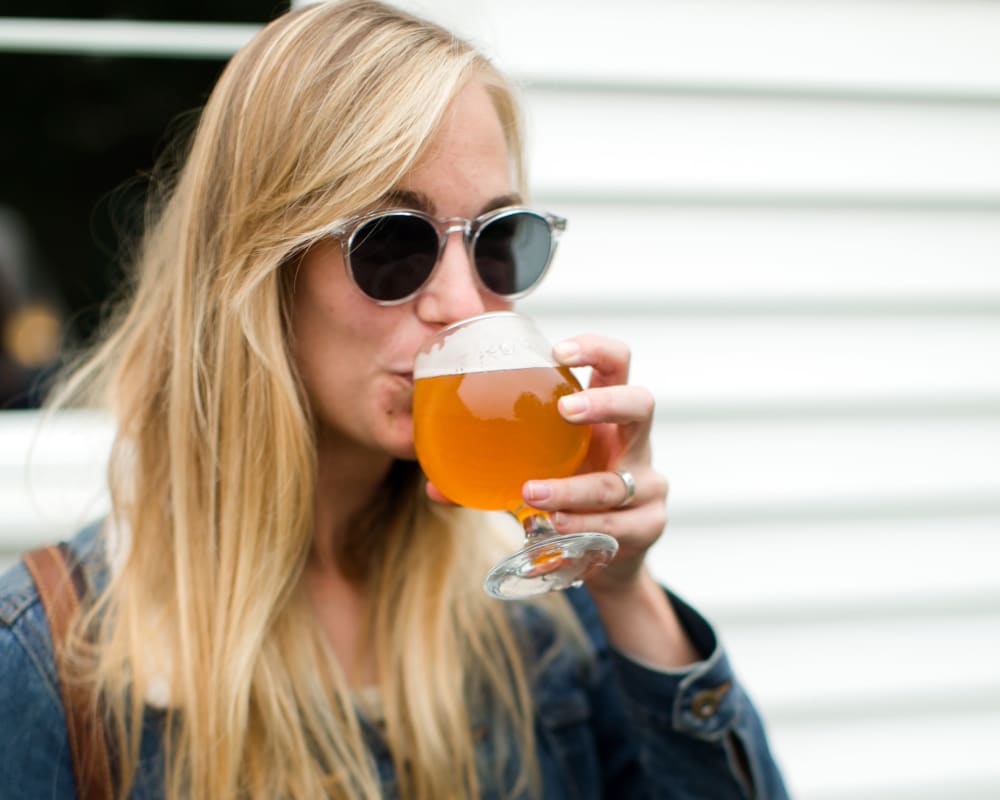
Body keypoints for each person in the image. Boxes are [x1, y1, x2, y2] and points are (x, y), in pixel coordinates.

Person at [0, 2, 789, 798]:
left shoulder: (540, 627)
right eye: (393, 243)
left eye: (499, 240)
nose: (465, 302)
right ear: (259, 271)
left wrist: (630, 593)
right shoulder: (49, 659)